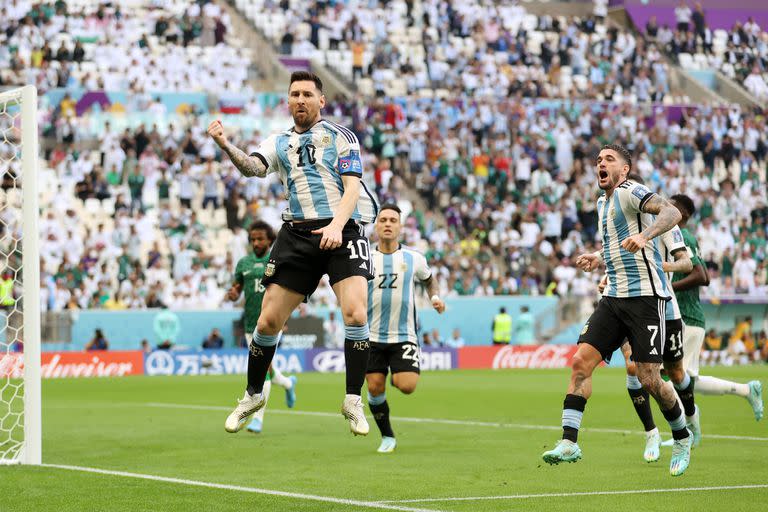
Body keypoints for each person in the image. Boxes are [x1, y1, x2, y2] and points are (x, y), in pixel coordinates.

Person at [210, 71, 378, 436]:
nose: (300, 99)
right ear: (287, 102)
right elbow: (254, 168)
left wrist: (335, 225)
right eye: (294, 94)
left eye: (307, 94)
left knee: (355, 311)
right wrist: (225, 145)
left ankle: (352, 399)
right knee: (268, 323)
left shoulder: (341, 136)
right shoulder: (279, 141)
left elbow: (352, 188)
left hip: (342, 230)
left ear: (321, 101)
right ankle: (253, 395)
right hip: (297, 234)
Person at [542, 144, 693, 477]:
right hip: (614, 298)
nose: (601, 163)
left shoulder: (629, 191)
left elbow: (671, 212)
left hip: (645, 300)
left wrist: (646, 235)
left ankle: (681, 436)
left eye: (609, 159)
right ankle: (569, 441)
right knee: (581, 362)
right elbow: (614, 244)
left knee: (650, 379)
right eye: (598, 159)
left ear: (625, 170)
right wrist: (599, 258)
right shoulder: (602, 202)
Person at [602, 179, 699, 461]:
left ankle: (691, 423)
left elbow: (686, 264)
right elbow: (615, 255)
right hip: (628, 301)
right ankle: (651, 433)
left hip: (664, 305)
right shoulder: (623, 221)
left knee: (675, 373)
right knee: (633, 367)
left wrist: (659, 264)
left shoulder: (666, 226)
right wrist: (604, 273)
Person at [668, 195, 762, 421]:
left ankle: (688, 430)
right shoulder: (674, 236)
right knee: (684, 380)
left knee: (677, 380)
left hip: (687, 316)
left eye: (670, 206)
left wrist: (668, 286)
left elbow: (702, 276)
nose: (663, 209)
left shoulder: (683, 236)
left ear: (683, 215)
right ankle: (746, 390)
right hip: (680, 316)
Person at [366, 204, 445, 453]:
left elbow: (430, 280)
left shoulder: (414, 258)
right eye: (383, 220)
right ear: (376, 226)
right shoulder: (364, 257)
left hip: (404, 335)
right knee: (374, 388)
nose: (388, 224)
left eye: (393, 220)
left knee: (407, 386)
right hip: (371, 335)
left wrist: (435, 298)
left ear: (400, 227)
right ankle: (387, 436)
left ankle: (395, 372)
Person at [225, 222, 298, 434]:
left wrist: (284, 317)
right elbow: (237, 289)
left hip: (271, 324)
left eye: (260, 239)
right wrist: (233, 294)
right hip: (250, 324)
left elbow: (286, 292)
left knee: (263, 372)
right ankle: (288, 384)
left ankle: (257, 419)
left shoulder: (276, 260)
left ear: (270, 239)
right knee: (267, 369)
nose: (256, 242)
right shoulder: (243, 263)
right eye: (253, 239)